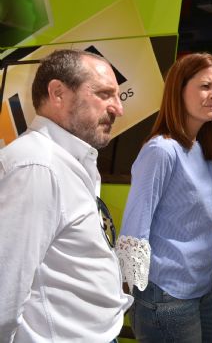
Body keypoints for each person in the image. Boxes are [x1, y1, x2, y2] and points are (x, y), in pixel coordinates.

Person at [0, 49, 132, 342]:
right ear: (58, 93)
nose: (118, 108)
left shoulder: (69, 160)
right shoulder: (37, 166)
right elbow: (5, 291)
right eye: (104, 94)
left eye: (118, 96)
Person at [116, 52, 212, 342]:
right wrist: (129, 295)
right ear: (179, 90)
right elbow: (134, 227)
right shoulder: (161, 151)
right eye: (205, 86)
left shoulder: (201, 150)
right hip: (166, 295)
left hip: (201, 290)